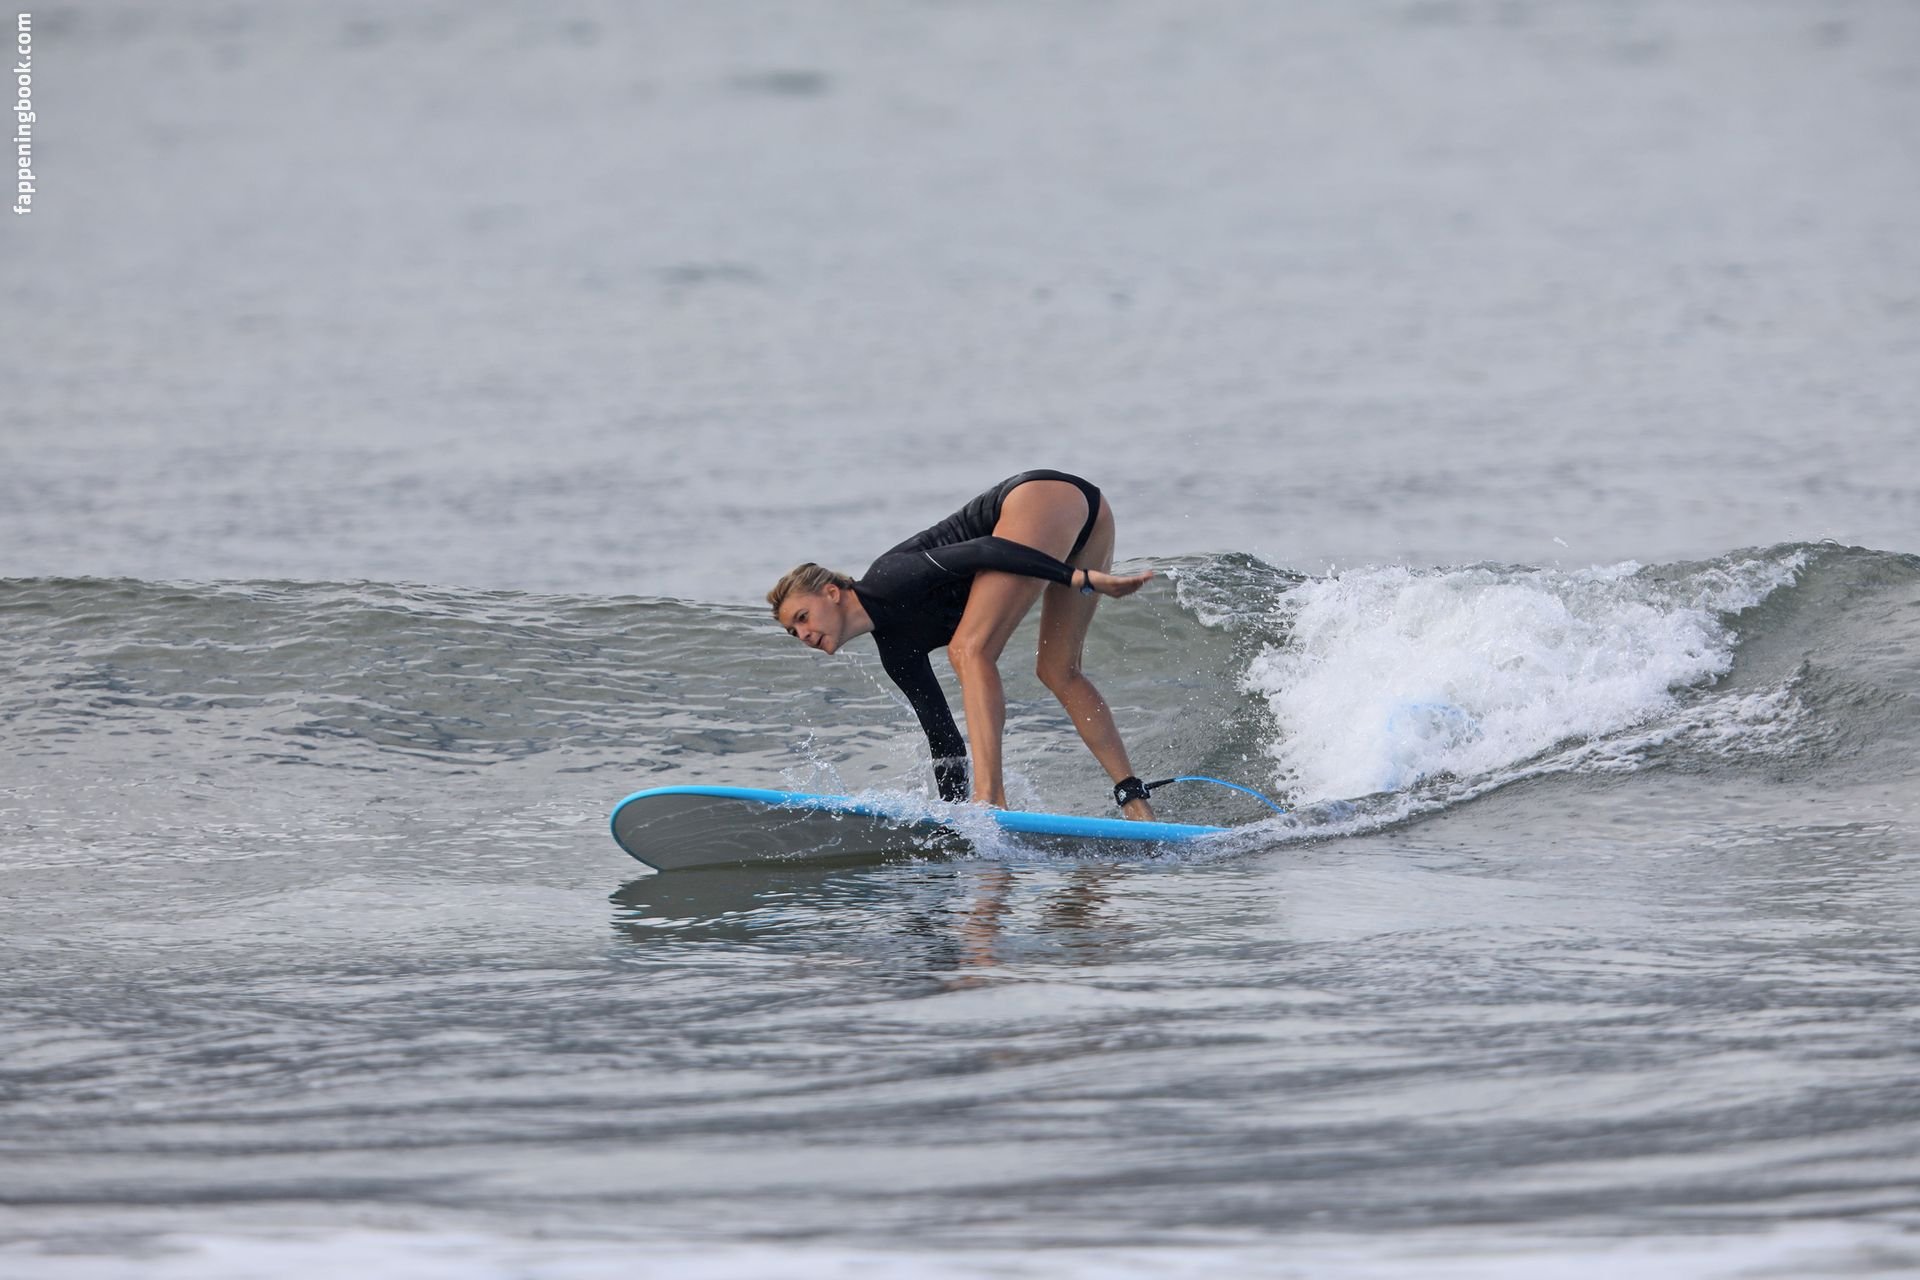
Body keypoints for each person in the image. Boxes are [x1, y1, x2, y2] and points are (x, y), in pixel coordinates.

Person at [767, 470, 1158, 820]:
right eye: (793, 632)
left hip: (1041, 499)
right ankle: (1135, 802)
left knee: (968, 650)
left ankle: (990, 801)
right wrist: (952, 821)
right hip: (1083, 515)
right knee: (1058, 669)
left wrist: (1077, 578)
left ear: (832, 592)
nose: (803, 635)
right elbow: (944, 740)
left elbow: (986, 550)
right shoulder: (897, 653)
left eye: (802, 617)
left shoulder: (890, 577)